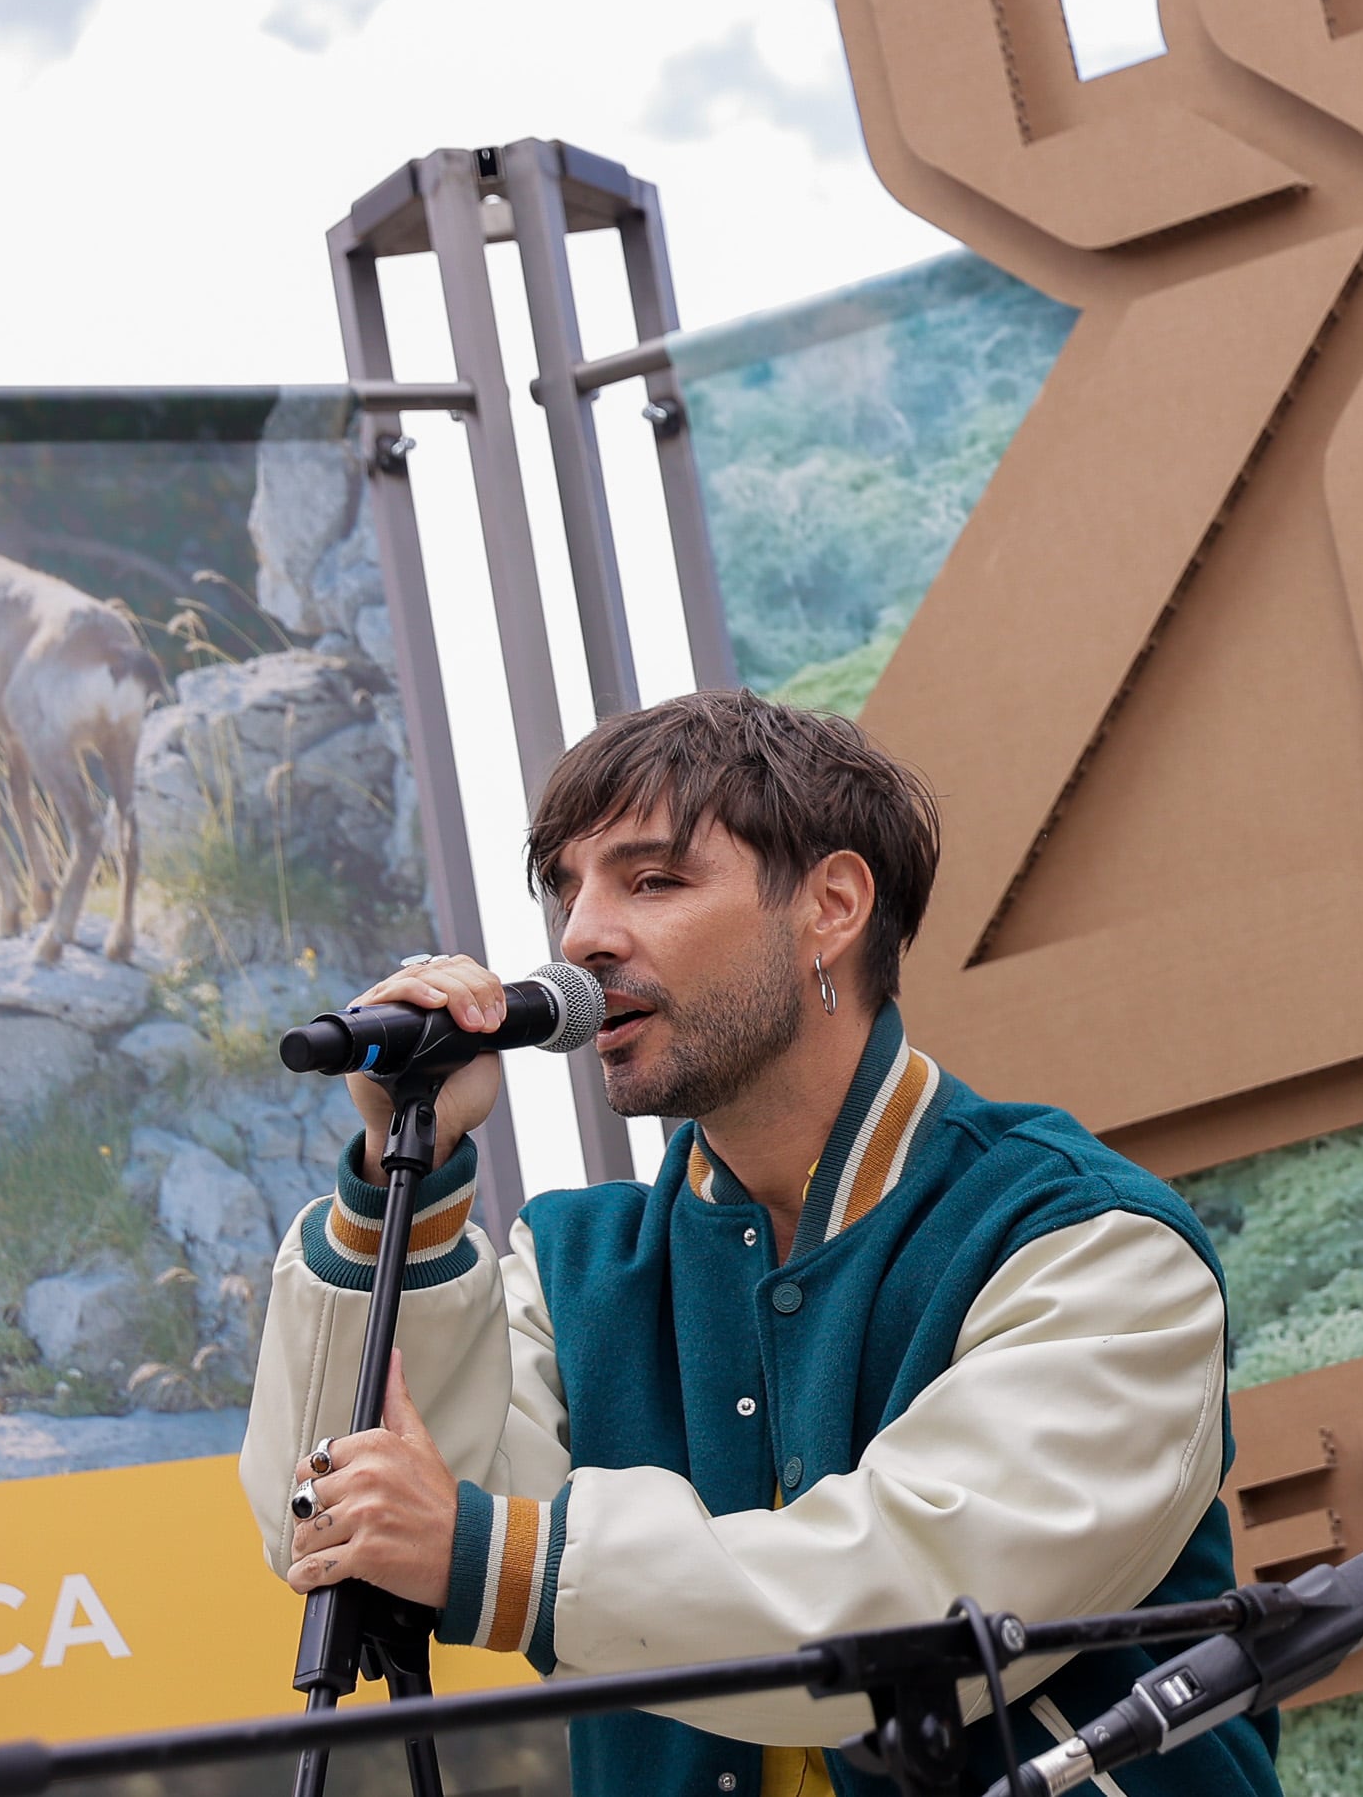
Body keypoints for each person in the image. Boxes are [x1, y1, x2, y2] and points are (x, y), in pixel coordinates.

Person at [239, 690, 1279, 1797]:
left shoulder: (1089, 1243)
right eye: (566, 888)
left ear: (831, 904)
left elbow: (915, 1603)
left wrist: (498, 1558)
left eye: (653, 879)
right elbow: (337, 1516)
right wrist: (409, 1171)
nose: (581, 933)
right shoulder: (574, 1265)